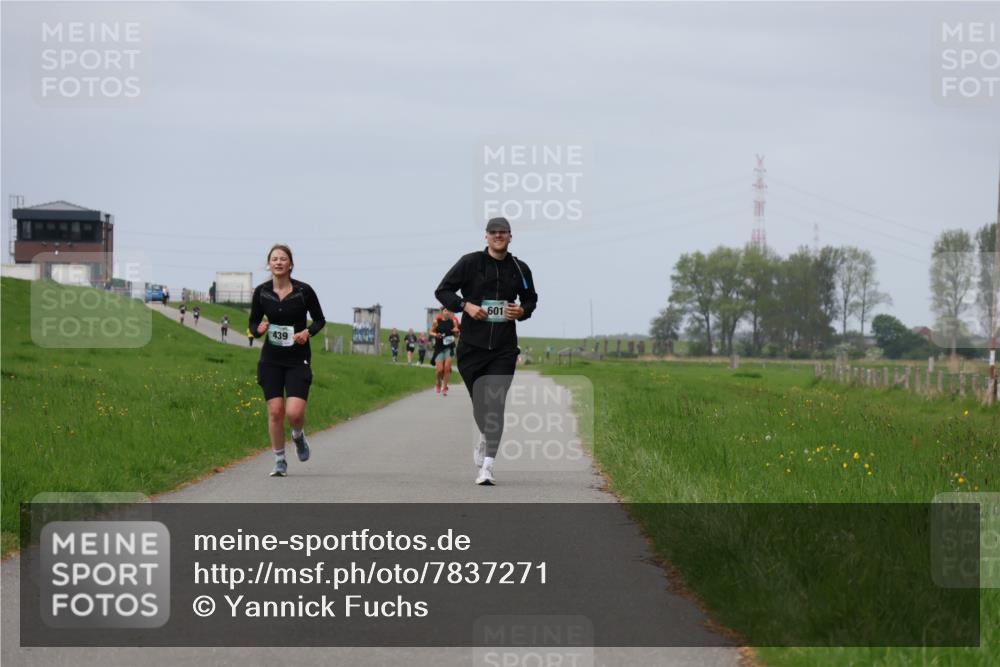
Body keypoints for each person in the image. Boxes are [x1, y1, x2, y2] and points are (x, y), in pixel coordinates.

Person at [435, 217, 537, 485]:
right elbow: (442, 290)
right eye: (493, 232)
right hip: (472, 347)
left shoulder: (519, 268)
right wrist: (465, 306)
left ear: (510, 237)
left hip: (503, 348)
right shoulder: (470, 263)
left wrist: (522, 311)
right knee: (481, 405)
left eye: (503, 232)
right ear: (486, 236)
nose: (498, 236)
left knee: (496, 404)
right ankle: (484, 436)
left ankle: (487, 467)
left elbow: (530, 298)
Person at [249, 244, 326, 477]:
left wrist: (308, 333)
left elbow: (320, 320)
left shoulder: (304, 291)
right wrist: (259, 329)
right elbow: (253, 323)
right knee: (275, 411)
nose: (279, 262)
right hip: (271, 359)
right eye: (274, 259)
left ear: (290, 264)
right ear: (269, 264)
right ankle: (280, 460)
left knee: (293, 413)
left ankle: (298, 436)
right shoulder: (262, 292)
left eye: (283, 259)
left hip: (297, 358)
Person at [431, 307, 460, 396]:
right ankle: (438, 383)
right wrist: (437, 334)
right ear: (442, 312)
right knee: (440, 370)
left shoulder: (453, 322)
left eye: (449, 310)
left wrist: (456, 332)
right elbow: (431, 332)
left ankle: (445, 387)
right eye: (445, 310)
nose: (447, 312)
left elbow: (456, 335)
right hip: (439, 347)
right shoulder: (436, 322)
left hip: (450, 347)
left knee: (447, 368)